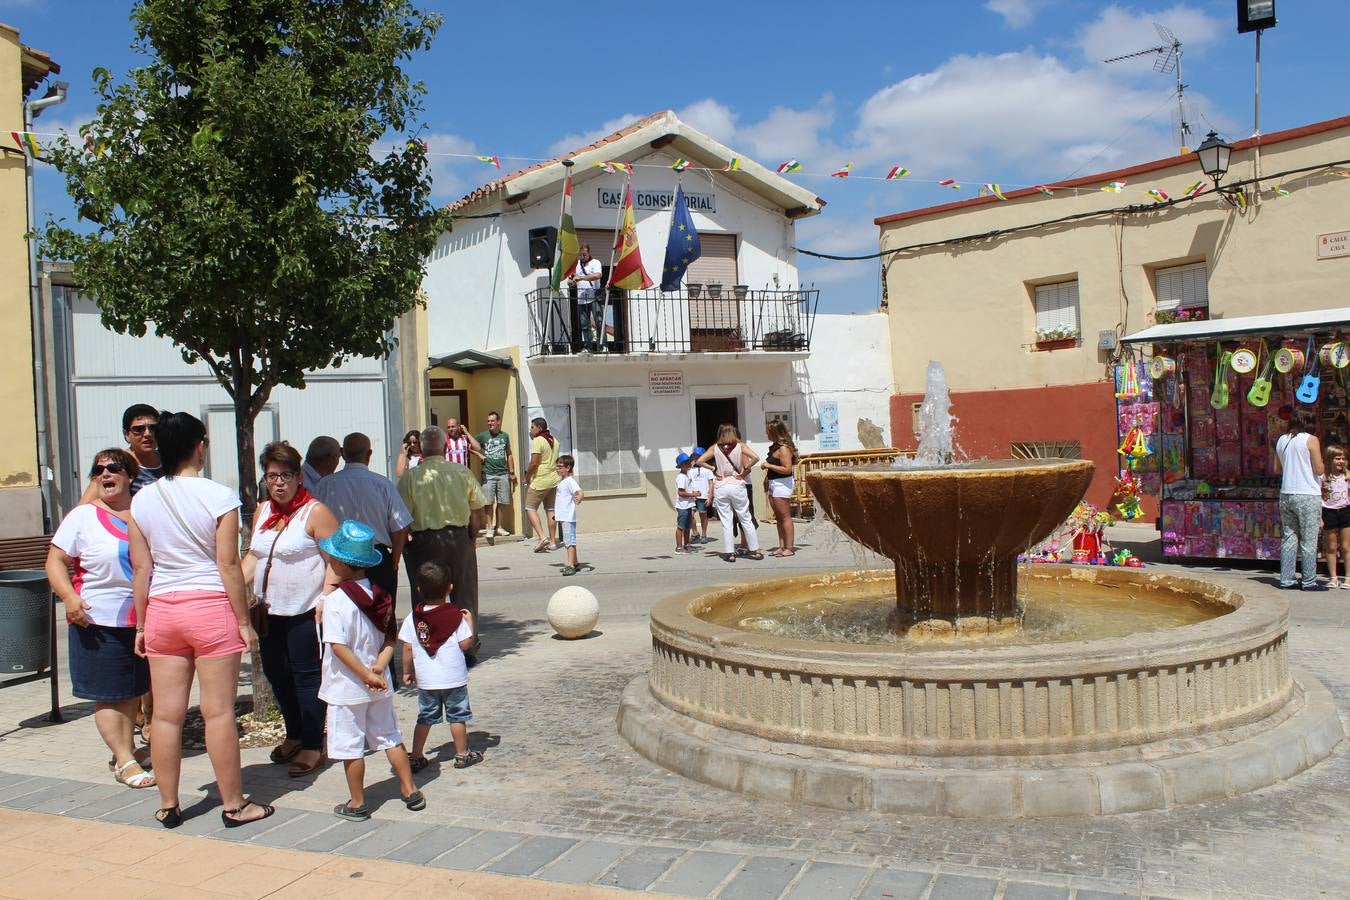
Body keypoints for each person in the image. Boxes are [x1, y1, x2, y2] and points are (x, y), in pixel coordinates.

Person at [128, 411, 273, 829]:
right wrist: (244, 622)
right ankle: (234, 804)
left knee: (167, 716)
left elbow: (142, 569)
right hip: (210, 607)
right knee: (219, 713)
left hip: (162, 609)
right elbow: (228, 564)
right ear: (199, 446)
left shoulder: (143, 500)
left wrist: (140, 624)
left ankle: (169, 803)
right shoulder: (219, 495)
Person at [47, 448, 154, 789]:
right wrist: (70, 597)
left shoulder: (144, 512)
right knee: (109, 694)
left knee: (131, 691)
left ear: (130, 475)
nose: (106, 474)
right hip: (97, 620)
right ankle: (124, 759)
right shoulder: (82, 517)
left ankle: (125, 750)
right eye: (99, 470)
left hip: (142, 619)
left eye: (114, 468)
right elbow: (54, 562)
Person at [317, 521, 425, 821]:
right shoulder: (381, 596)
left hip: (347, 685)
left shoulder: (336, 602)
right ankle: (410, 788)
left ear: (338, 562)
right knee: (390, 735)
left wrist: (365, 674)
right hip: (379, 682)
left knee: (350, 745)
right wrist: (379, 665)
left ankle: (357, 802)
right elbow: (390, 638)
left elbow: (338, 647)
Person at [242, 441, 339, 778]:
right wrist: (227, 589)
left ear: (299, 477)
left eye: (285, 475)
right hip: (269, 612)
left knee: (306, 678)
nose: (279, 483)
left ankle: (314, 743)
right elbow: (253, 557)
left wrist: (326, 598)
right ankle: (295, 734)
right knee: (276, 675)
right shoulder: (263, 512)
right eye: (272, 476)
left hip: (304, 611)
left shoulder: (315, 512)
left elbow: (336, 562)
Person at [397, 426, 486, 656]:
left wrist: (405, 543)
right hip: (457, 537)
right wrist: (472, 536)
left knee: (425, 594)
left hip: (423, 541)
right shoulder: (462, 472)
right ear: (446, 448)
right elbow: (477, 510)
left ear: (422, 450)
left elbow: (401, 517)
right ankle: (467, 648)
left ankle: (428, 644)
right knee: (464, 593)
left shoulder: (411, 477)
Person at [399, 560, 482, 772]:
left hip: (427, 681)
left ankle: (416, 755)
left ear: (418, 589)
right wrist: (470, 623)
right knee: (457, 716)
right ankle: (462, 755)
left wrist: (407, 671)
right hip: (454, 679)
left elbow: (408, 648)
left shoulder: (414, 617)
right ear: (450, 588)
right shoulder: (456, 615)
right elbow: (465, 645)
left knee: (425, 717)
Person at [314, 433, 413, 599]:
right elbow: (400, 526)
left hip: (339, 559)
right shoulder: (383, 485)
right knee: (381, 618)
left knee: (341, 616)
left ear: (343, 453)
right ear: (369, 454)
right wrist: (394, 562)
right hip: (377, 558)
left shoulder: (325, 485)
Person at [1274, 408, 1327, 591]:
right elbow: (1319, 469)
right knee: (1309, 539)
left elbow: (1277, 468)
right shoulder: (1311, 440)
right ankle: (1309, 580)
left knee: (1289, 537)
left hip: (1286, 493)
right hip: (1307, 494)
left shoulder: (1282, 440)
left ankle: (1287, 578)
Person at [696, 425, 763, 563]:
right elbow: (756, 457)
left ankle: (730, 553)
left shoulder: (715, 447)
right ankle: (756, 550)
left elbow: (699, 461)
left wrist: (713, 468)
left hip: (721, 485)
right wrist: (745, 470)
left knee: (726, 521)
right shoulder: (740, 446)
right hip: (737, 484)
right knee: (745, 517)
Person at [476, 411, 517, 538]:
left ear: (498, 422)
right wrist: (479, 454)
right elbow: (470, 444)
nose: (490, 423)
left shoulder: (505, 436)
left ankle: (499, 527)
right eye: (488, 421)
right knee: (488, 502)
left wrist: (512, 472)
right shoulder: (483, 436)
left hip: (503, 473)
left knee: (502, 501)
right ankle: (489, 527)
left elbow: (509, 454)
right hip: (488, 473)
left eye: (492, 421)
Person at [524, 417, 561, 553]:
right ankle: (552, 542)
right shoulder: (554, 440)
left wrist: (527, 477)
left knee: (529, 508)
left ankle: (542, 537)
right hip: (554, 479)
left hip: (541, 479)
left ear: (539, 428)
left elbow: (533, 463)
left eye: (532, 427)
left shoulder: (538, 440)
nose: (531, 430)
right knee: (550, 509)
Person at [762, 420, 797, 557]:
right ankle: (781, 546)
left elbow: (787, 469)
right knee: (778, 517)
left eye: (768, 431)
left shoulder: (783, 448)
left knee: (785, 516)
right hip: (774, 483)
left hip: (782, 483)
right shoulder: (775, 447)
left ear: (774, 432)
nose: (766, 434)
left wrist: (769, 466)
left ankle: (789, 547)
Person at [1321, 444, 1350, 589]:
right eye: (1337, 458)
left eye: (1343, 458)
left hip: (1345, 511)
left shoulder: (1347, 476)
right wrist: (1319, 516)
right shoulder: (1323, 477)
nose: (1341, 461)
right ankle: (1333, 577)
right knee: (1331, 547)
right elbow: (1318, 496)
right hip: (1328, 512)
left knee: (1346, 546)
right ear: (1329, 459)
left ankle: (1348, 578)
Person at [568, 244, 603, 352]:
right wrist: (572, 281)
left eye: (584, 255)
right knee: (584, 324)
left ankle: (602, 345)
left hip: (594, 297)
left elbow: (597, 275)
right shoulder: (577, 265)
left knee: (599, 322)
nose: (582, 257)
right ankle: (588, 347)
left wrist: (581, 278)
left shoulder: (595, 263)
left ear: (589, 253)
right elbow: (570, 280)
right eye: (581, 255)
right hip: (581, 299)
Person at [554, 455, 584, 576]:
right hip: (563, 516)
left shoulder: (570, 481)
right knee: (569, 539)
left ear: (568, 467)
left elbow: (580, 492)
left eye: (560, 466)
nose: (557, 468)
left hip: (568, 517)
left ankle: (570, 565)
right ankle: (575, 562)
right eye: (557, 466)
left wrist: (580, 497)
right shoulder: (563, 481)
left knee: (569, 541)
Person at [688, 446, 713, 544]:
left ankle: (703, 534)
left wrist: (710, 496)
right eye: (695, 456)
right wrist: (690, 494)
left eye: (698, 456)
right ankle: (695, 533)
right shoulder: (691, 470)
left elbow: (711, 483)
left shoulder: (708, 469)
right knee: (690, 515)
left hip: (703, 496)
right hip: (693, 496)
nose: (696, 458)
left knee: (703, 515)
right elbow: (688, 483)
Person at [674, 453, 697, 553]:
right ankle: (679, 548)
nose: (690, 463)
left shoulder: (686, 475)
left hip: (688, 505)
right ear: (682, 465)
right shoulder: (681, 477)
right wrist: (693, 495)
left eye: (689, 462)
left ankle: (687, 544)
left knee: (687, 527)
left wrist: (693, 494)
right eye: (687, 462)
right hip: (682, 506)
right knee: (681, 527)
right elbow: (681, 493)